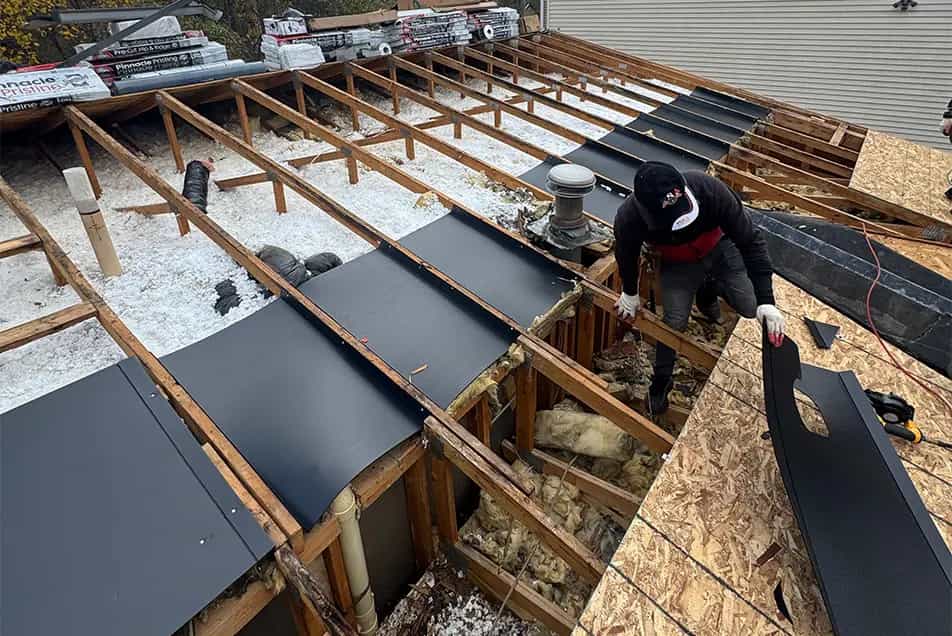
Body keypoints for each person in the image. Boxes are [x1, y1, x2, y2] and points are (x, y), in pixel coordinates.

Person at [613, 161, 785, 414]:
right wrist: (630, 292)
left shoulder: (711, 190)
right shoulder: (629, 217)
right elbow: (626, 254)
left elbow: (751, 243)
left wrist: (767, 300)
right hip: (679, 263)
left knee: (750, 306)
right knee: (673, 322)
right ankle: (660, 383)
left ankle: (709, 290)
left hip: (721, 249)